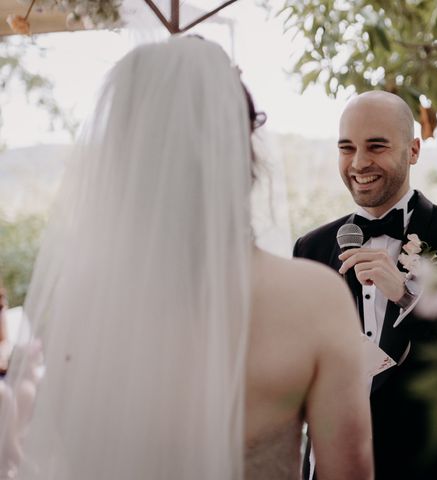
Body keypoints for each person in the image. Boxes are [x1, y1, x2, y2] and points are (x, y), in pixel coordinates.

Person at [0, 37, 373, 480]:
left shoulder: (83, 303)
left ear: (123, 156)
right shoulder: (314, 299)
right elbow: (347, 471)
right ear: (243, 151)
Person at [294, 90, 437, 480]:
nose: (359, 163)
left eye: (376, 146)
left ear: (413, 150)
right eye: (346, 148)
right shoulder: (311, 248)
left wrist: (406, 295)